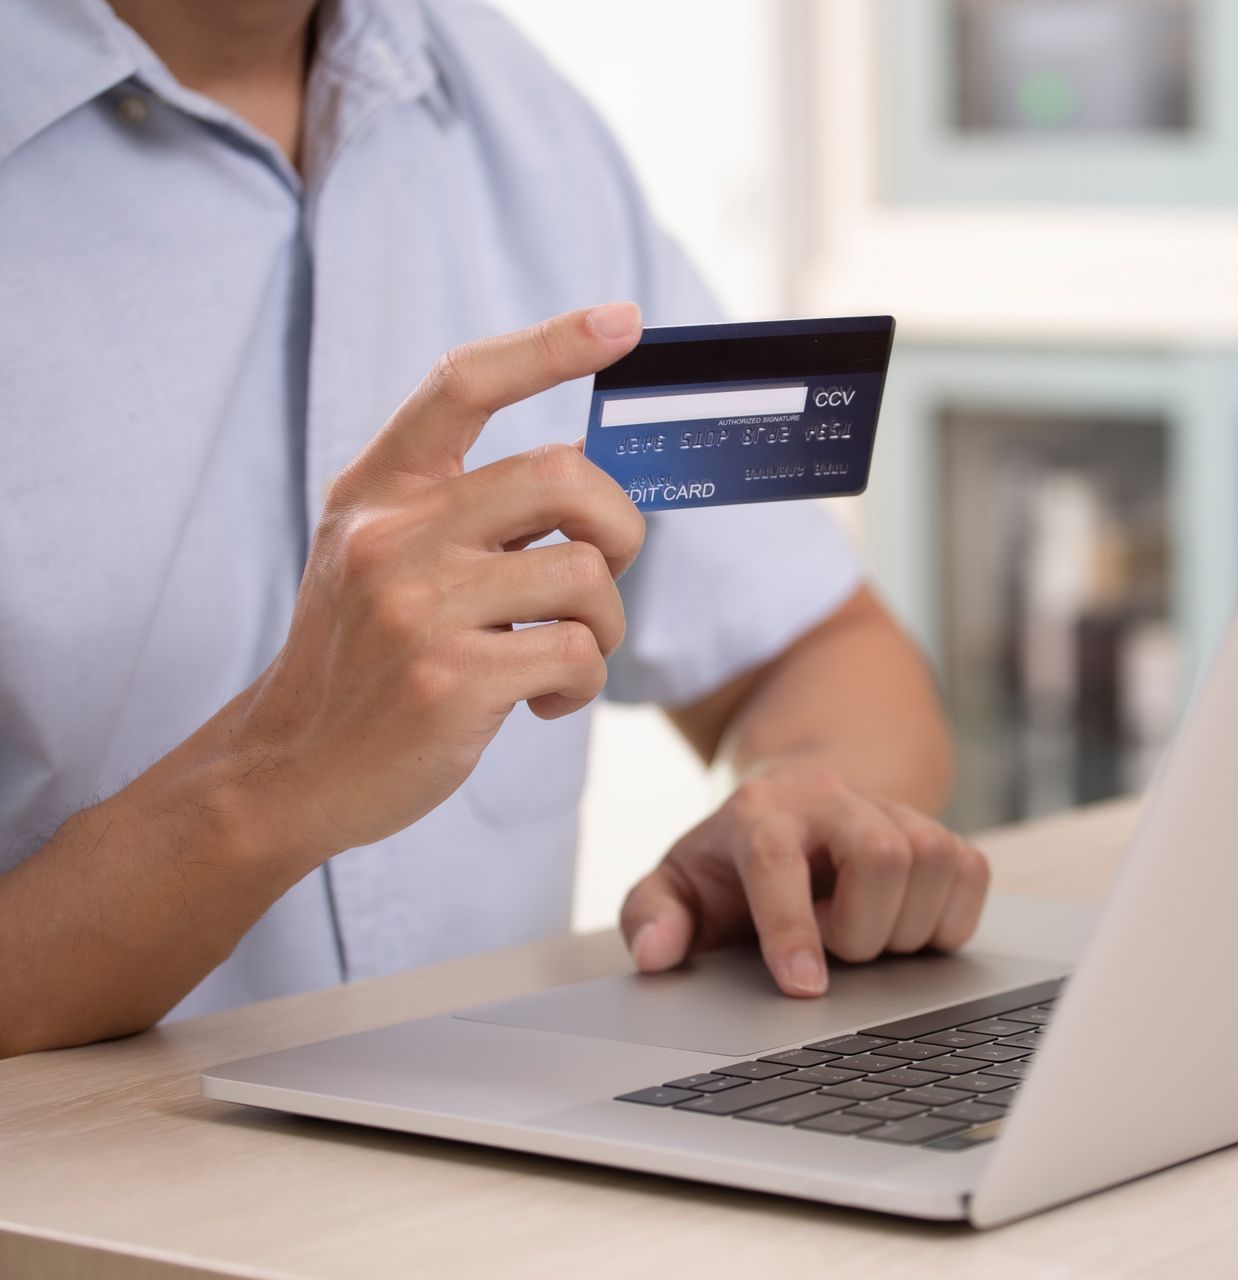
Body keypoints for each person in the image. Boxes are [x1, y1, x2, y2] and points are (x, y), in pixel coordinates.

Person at [0, 0, 988, 1058]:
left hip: (497, 1177)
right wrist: (275, 780)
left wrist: (801, 817)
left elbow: (821, 648)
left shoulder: (530, 128)